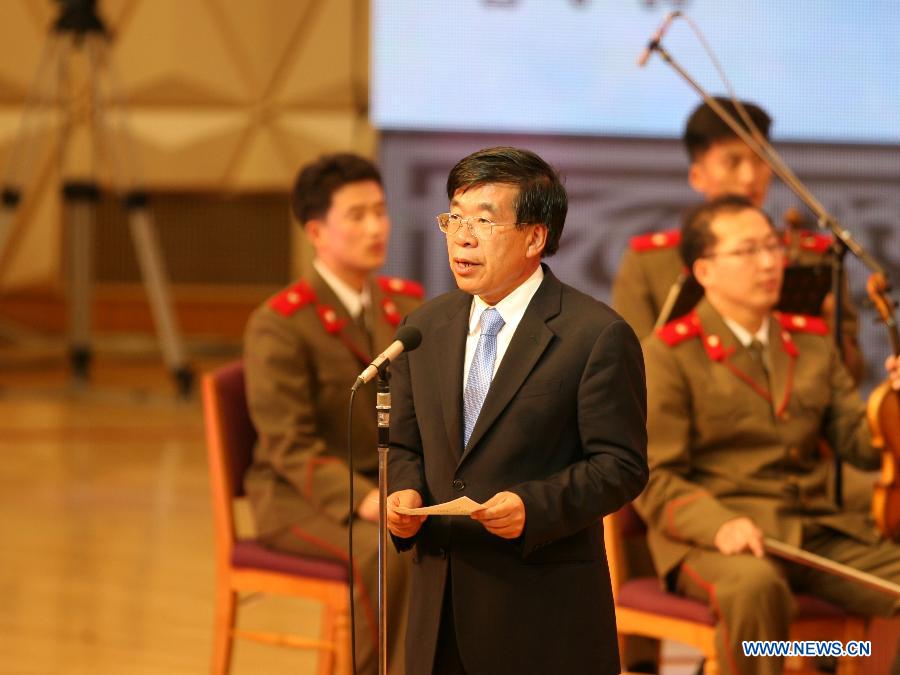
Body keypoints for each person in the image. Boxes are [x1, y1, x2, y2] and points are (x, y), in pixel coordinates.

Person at [385, 146, 649, 674]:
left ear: (535, 237)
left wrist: (534, 506)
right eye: (454, 217)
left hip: (540, 615)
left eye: (484, 221)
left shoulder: (595, 335)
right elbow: (405, 444)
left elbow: (620, 466)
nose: (462, 236)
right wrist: (404, 490)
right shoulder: (425, 326)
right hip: (437, 609)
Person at [635, 195, 900, 675]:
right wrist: (719, 524)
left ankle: (858, 657)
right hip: (715, 537)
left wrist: (895, 403)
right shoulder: (668, 354)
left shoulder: (812, 342)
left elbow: (864, 448)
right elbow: (653, 478)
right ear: (704, 271)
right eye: (747, 251)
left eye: (772, 247)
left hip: (811, 530)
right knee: (755, 588)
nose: (769, 263)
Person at [242, 153, 422, 675]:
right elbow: (287, 446)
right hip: (297, 496)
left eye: (381, 211)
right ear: (316, 230)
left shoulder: (402, 307)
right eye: (358, 215)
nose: (376, 227)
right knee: (384, 551)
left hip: (385, 484)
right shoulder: (281, 323)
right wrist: (366, 497)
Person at [611, 97, 863, 383]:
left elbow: (852, 376)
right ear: (697, 176)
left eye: (760, 160)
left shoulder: (814, 256)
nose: (749, 177)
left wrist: (834, 333)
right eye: (733, 162)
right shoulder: (650, 262)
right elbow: (631, 370)